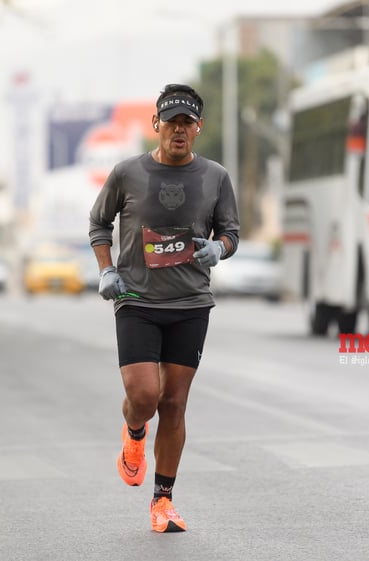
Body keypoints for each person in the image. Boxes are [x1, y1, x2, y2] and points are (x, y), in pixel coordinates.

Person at [89, 83, 240, 533]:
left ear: (198, 129)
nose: (178, 129)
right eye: (170, 121)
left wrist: (220, 248)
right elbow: (99, 222)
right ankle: (135, 434)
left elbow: (231, 231)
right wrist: (106, 269)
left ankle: (163, 502)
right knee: (144, 397)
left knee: (173, 403)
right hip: (135, 297)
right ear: (156, 125)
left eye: (186, 122)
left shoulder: (215, 177)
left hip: (191, 302)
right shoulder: (126, 173)